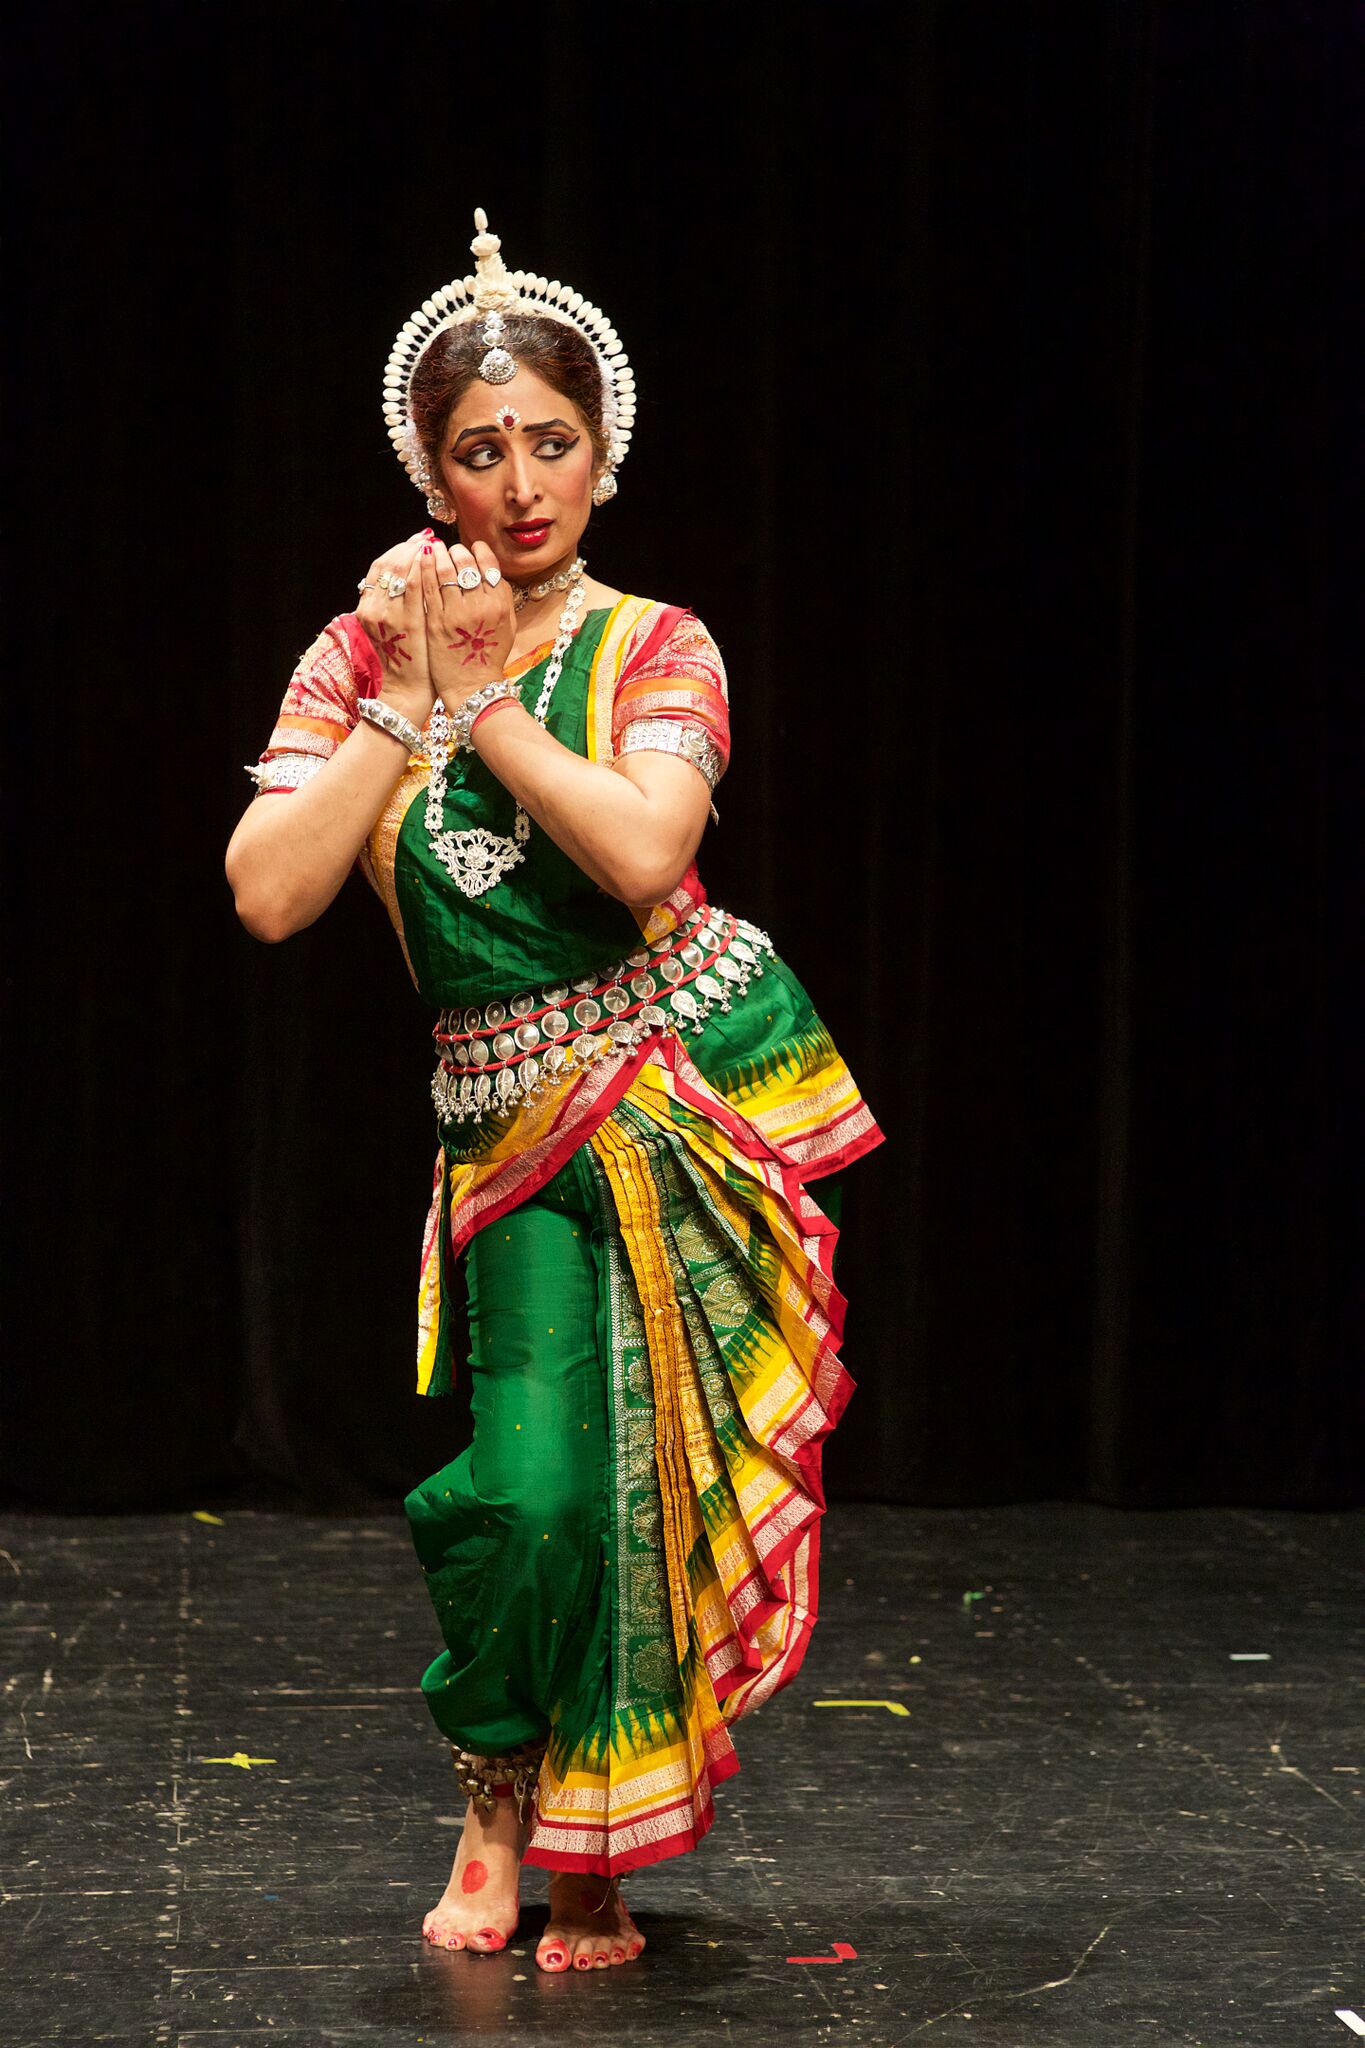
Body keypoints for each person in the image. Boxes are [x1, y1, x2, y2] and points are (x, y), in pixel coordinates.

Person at [225, 209, 884, 1974]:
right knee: (523, 1493)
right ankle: (495, 1795)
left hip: (671, 1117)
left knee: (641, 1491)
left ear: (603, 454)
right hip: (502, 1143)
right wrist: (399, 700)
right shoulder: (359, 654)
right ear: (425, 468)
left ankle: (591, 1854)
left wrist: (487, 696)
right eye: (476, 452)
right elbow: (270, 894)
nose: (518, 485)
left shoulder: (656, 643)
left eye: (550, 444)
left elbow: (643, 844)